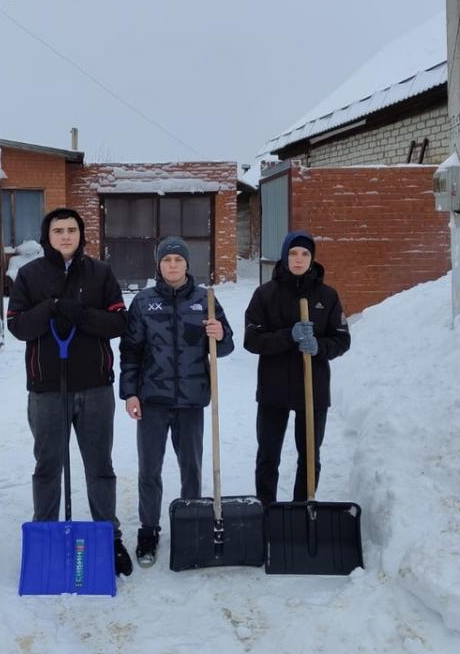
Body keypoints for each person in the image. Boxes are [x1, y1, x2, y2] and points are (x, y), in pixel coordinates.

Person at [6, 207, 134, 577]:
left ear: (81, 234)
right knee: (47, 467)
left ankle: (107, 536)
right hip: (47, 389)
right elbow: (18, 327)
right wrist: (49, 308)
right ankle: (45, 534)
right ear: (47, 236)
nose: (65, 236)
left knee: (100, 467)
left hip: (94, 387)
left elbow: (119, 322)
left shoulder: (100, 272)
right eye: (58, 230)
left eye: (72, 230)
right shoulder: (29, 275)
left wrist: (81, 314)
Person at [119, 236, 233, 567]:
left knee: (192, 468)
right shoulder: (143, 302)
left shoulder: (205, 300)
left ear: (187, 264)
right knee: (149, 469)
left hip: (191, 401)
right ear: (159, 264)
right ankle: (148, 531)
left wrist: (220, 335)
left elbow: (225, 349)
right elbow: (130, 351)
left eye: (178, 260)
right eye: (166, 260)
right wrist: (130, 392)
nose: (172, 265)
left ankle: (191, 524)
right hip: (153, 400)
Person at [243, 230, 351, 506]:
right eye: (293, 253)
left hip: (312, 389)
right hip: (273, 389)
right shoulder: (265, 295)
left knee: (310, 457)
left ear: (312, 258)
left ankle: (303, 511)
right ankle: (266, 510)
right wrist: (286, 336)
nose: (299, 259)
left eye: (305, 254)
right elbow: (252, 340)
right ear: (284, 256)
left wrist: (319, 347)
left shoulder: (327, 296)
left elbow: (342, 339)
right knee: (268, 456)